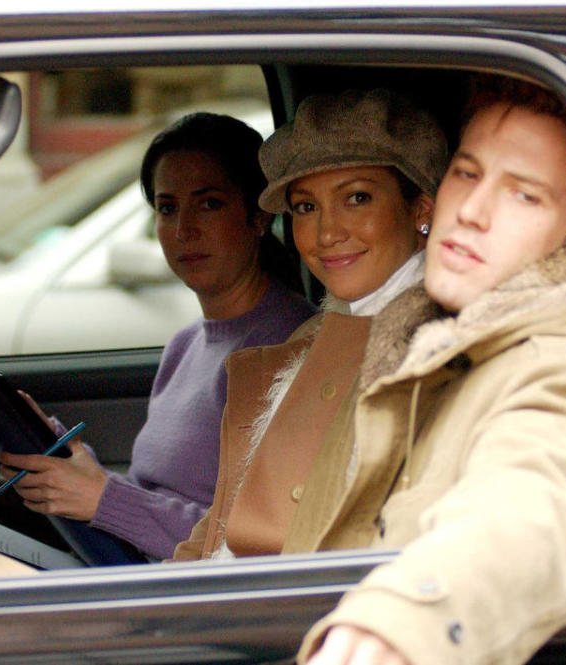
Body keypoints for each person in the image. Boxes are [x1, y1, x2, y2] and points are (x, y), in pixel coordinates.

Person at [287, 76, 566, 665]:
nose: (473, 212)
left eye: (525, 195)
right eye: (467, 173)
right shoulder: (416, 335)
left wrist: (408, 625)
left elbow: (534, 505)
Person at [0, 113, 316, 560]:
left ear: (259, 216)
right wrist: (69, 459)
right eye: (167, 208)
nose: (184, 229)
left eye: (209, 204)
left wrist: (104, 498)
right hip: (135, 568)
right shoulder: (186, 345)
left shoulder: (287, 348)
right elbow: (157, 499)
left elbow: (251, 543)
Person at [171, 88, 448, 560]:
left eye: (356, 198)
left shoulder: (439, 350)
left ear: (420, 209)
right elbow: (219, 530)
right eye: (306, 207)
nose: (326, 233)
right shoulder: (309, 341)